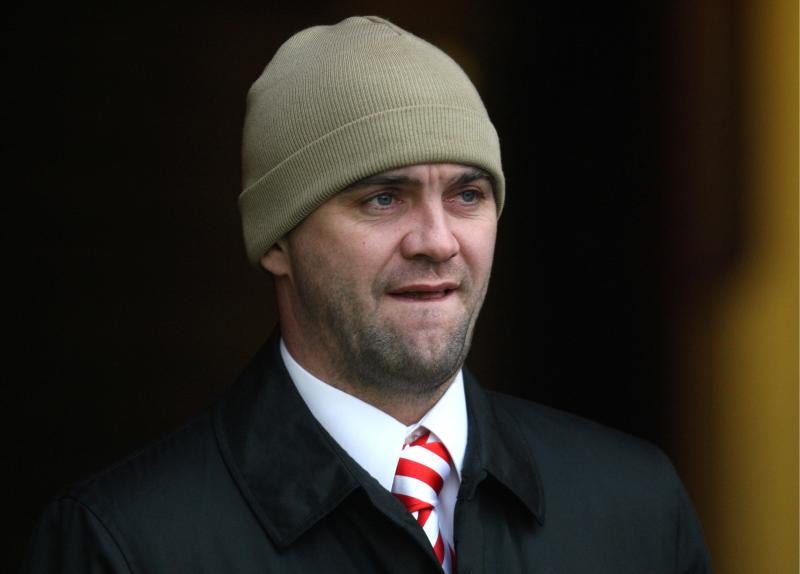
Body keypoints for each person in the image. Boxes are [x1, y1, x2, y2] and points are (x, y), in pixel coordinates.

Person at [22, 16, 712, 573]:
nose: (437, 240)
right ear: (276, 240)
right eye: (383, 198)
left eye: (468, 195)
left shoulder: (637, 509)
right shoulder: (123, 544)